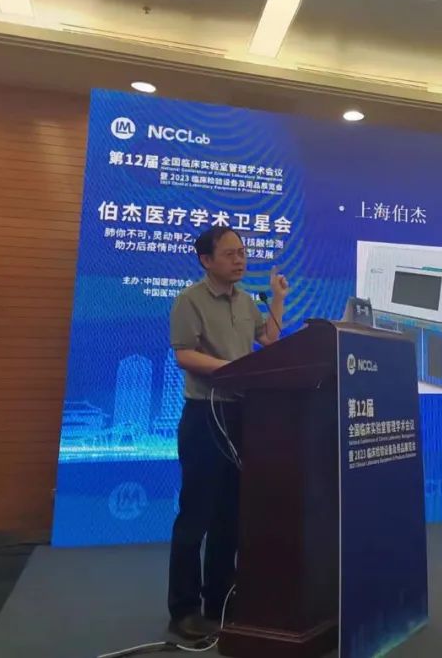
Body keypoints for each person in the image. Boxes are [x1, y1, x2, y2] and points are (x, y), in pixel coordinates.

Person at [167, 226, 288, 640]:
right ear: (206, 260)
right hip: (205, 414)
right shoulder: (189, 300)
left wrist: (278, 296)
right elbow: (184, 354)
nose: (240, 259)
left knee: (230, 516)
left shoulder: (247, 300)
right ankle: (183, 609)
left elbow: (269, 339)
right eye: (231, 253)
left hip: (241, 416)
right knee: (195, 516)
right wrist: (234, 370)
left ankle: (219, 600)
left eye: (242, 252)